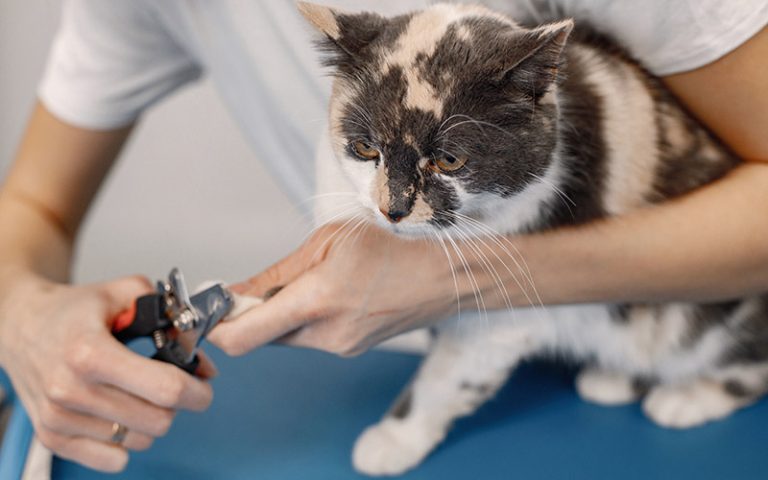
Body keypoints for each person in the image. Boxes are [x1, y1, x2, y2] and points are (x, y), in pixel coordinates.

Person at [0, 0, 766, 473]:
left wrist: (460, 282)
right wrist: (22, 313)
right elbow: (34, 201)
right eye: (363, 154)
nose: (389, 207)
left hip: (686, 324)